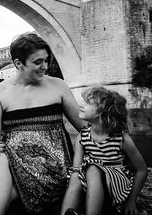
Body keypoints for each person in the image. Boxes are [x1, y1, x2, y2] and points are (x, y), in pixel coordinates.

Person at [0, 32, 86, 215]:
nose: (44, 67)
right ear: (18, 63)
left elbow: (86, 128)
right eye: (38, 62)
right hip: (12, 164)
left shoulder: (58, 86)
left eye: (46, 60)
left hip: (52, 168)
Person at [61, 87, 147, 215]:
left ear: (102, 111)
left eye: (88, 103)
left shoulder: (120, 137)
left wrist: (131, 201)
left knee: (92, 168)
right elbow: (76, 168)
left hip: (115, 184)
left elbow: (142, 170)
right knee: (76, 174)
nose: (81, 106)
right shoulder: (82, 136)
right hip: (90, 185)